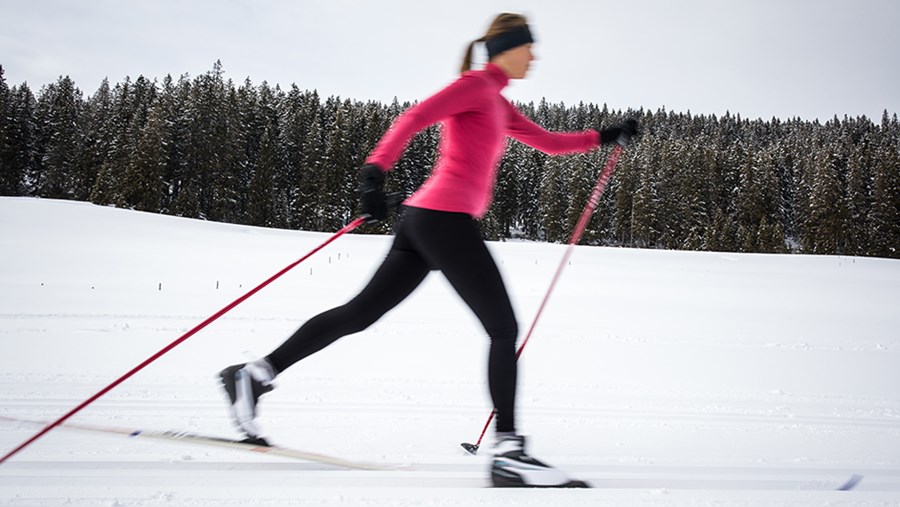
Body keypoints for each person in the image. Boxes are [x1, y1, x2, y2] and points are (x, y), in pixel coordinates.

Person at [220, 13, 637, 488]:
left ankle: (254, 375)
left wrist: (605, 136)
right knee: (503, 328)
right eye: (529, 47)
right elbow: (414, 116)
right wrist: (374, 172)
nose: (535, 56)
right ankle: (509, 452)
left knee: (359, 315)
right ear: (507, 47)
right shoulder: (476, 86)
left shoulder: (497, 102)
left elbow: (550, 144)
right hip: (443, 220)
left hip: (422, 221)